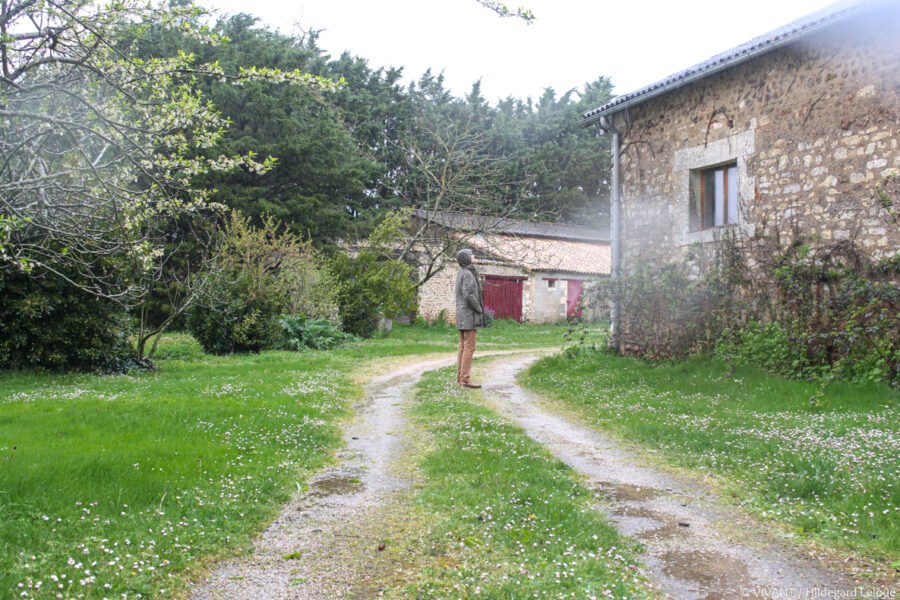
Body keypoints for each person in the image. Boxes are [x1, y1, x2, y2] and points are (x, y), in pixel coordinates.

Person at [454, 248, 485, 388]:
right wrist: (478, 308)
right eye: (471, 254)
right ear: (466, 258)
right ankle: (465, 379)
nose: (474, 256)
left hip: (462, 313)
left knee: (463, 347)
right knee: (469, 348)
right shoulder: (467, 274)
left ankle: (460, 377)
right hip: (468, 315)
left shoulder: (462, 272)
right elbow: (468, 295)